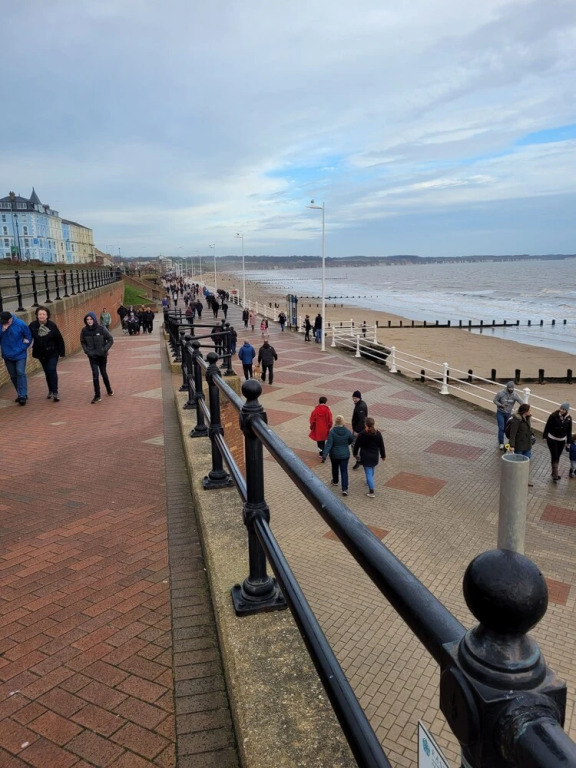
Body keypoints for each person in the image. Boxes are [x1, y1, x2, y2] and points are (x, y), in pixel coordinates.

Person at [28, 306, 66, 402]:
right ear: (37, 315)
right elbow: (27, 336)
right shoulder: (33, 325)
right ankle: (50, 390)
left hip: (52, 352)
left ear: (47, 316)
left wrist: (62, 352)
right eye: (40, 314)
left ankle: (55, 392)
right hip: (41, 353)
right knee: (47, 371)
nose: (41, 316)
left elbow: (59, 339)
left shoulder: (52, 325)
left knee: (52, 369)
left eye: (43, 314)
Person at [80, 311, 114, 403]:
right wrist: (87, 351)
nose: (89, 321)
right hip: (92, 357)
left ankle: (109, 389)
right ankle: (97, 396)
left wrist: (104, 349)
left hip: (102, 356)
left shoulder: (101, 329)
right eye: (87, 319)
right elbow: (82, 342)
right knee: (95, 375)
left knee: (103, 373)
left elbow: (110, 339)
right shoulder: (84, 331)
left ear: (94, 319)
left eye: (91, 319)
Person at [0, 311, 32, 405]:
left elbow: (28, 337)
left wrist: (22, 348)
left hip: (20, 354)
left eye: (6, 321)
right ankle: (20, 393)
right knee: (13, 375)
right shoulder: (1, 325)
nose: (5, 323)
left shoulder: (20, 324)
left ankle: (22, 395)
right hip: (7, 355)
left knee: (20, 372)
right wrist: (2, 331)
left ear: (10, 319)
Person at [353, 417, 386, 498]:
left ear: (366, 424)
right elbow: (381, 446)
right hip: (374, 456)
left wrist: (355, 454)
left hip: (365, 456)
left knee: (368, 473)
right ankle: (369, 482)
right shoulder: (378, 434)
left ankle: (371, 490)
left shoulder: (362, 434)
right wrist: (383, 455)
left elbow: (357, 445)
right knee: (371, 469)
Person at [322, 415, 354, 496]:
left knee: (335, 468)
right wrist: (345, 445)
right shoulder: (347, 431)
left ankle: (335, 481)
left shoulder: (332, 432)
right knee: (344, 471)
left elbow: (329, 444)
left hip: (334, 454)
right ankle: (344, 489)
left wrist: (324, 455)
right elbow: (351, 440)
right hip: (345, 454)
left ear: (335, 422)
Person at [543, 402, 572, 482]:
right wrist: (545, 436)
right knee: (555, 455)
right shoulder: (553, 416)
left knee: (557, 456)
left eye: (564, 409)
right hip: (552, 438)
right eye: (561, 408)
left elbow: (569, 431)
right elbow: (547, 426)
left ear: (567, 410)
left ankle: (553, 472)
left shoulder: (569, 418)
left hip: (561, 440)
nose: (562, 410)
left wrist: (568, 442)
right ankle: (555, 474)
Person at [508, 403, 535, 486]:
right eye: (529, 410)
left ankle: (525, 480)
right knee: (519, 464)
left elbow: (528, 429)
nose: (530, 411)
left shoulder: (528, 418)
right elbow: (513, 434)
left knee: (526, 464)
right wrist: (512, 446)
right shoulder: (517, 420)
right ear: (525, 411)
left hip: (527, 445)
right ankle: (517, 480)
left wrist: (532, 435)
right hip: (519, 445)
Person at [493, 381, 523, 450]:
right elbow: (495, 400)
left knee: (508, 428)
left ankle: (510, 442)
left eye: (512, 388)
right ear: (507, 387)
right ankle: (501, 443)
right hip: (500, 413)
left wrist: (520, 409)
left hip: (509, 414)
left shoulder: (515, 395)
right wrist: (501, 405)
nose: (511, 389)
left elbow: (521, 402)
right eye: (510, 388)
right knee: (501, 428)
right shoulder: (501, 393)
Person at [351, 390, 368, 469]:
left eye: (356, 398)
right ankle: (363, 458)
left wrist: (356, 431)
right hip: (361, 429)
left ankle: (359, 459)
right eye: (353, 398)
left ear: (359, 398)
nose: (354, 399)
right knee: (361, 444)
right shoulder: (360, 404)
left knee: (353, 445)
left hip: (359, 430)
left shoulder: (360, 406)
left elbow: (361, 420)